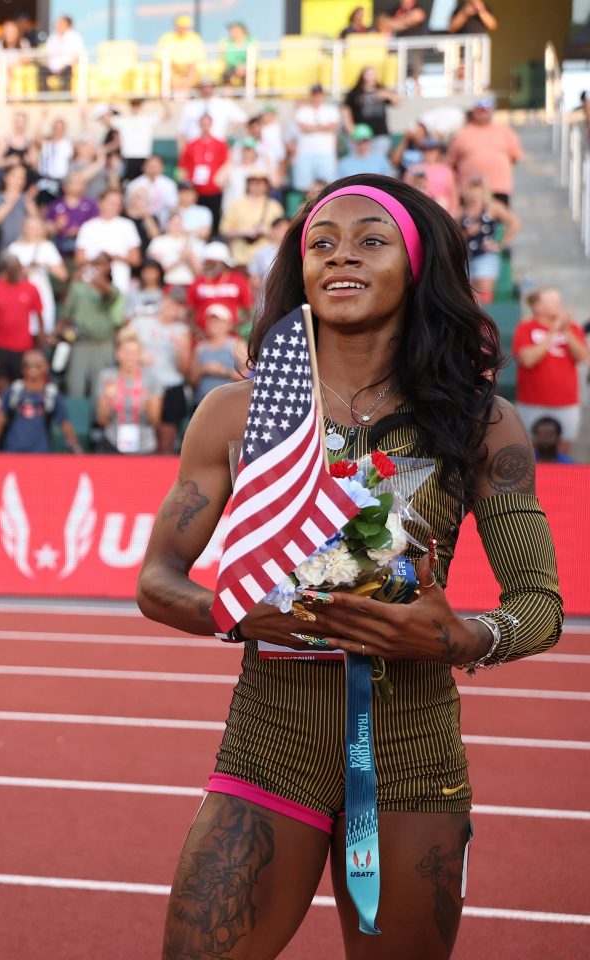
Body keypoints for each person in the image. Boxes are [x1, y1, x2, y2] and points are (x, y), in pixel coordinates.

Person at [138, 174, 563, 959]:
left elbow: (540, 604)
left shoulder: (480, 421)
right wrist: (231, 613)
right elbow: (157, 580)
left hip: (415, 754)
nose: (342, 257)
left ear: (416, 263)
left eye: (371, 240)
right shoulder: (237, 411)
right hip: (270, 743)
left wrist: (461, 638)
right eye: (321, 243)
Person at [513, 288, 587, 450]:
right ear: (538, 307)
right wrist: (553, 330)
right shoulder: (525, 328)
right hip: (532, 403)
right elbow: (528, 360)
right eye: (553, 300)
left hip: (566, 402)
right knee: (529, 449)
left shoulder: (572, 328)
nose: (559, 304)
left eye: (559, 300)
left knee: (563, 448)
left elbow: (583, 356)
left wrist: (566, 329)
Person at [130, 292, 192, 452]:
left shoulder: (182, 330)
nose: (172, 308)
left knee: (165, 443)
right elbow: (123, 346)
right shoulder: (141, 323)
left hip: (171, 385)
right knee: (140, 439)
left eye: (178, 305)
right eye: (170, 302)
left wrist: (182, 352)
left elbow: (184, 370)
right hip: (144, 385)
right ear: (162, 301)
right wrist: (138, 356)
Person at [59, 252, 125, 398]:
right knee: (75, 386)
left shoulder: (113, 289)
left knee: (101, 389)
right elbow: (67, 314)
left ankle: (98, 420)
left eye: (103, 264)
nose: (98, 267)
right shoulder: (77, 287)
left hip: (104, 343)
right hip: (81, 342)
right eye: (96, 264)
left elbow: (108, 294)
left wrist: (97, 277)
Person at [0, 348, 81, 453]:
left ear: (46, 367)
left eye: (38, 365)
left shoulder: (51, 394)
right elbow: (0, 420)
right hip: (12, 452)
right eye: (27, 365)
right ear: (22, 368)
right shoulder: (13, 391)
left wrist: (77, 449)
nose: (33, 368)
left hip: (40, 454)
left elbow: (65, 424)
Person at [92, 332, 159, 454]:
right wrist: (108, 399)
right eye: (126, 353)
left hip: (144, 444)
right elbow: (101, 420)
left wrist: (147, 405)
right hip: (113, 442)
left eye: (134, 353)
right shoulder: (107, 377)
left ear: (140, 355)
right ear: (117, 354)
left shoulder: (151, 378)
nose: (130, 357)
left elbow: (155, 421)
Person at [446, 97, 522, 205]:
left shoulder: (505, 132)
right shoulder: (462, 134)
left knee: (500, 219)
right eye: (480, 111)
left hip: (498, 188)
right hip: (470, 190)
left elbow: (515, 157)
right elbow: (451, 163)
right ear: (474, 112)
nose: (483, 114)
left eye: (486, 111)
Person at [0, 253, 44, 385]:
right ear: (5, 271)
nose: (18, 270)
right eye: (13, 268)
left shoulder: (31, 289)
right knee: (2, 387)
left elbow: (39, 320)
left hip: (24, 348)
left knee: (22, 388)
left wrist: (39, 349)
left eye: (18, 266)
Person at [459, 178, 518, 303]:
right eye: (472, 189)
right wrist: (467, 233)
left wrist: (501, 243)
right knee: (468, 295)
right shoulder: (462, 211)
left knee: (484, 291)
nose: (475, 192)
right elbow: (454, 236)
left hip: (485, 254)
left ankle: (484, 321)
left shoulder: (492, 207)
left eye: (478, 189)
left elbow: (514, 223)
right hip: (467, 256)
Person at [74, 187, 142, 294]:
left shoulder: (127, 225)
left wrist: (114, 257)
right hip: (91, 281)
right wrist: (99, 259)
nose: (114, 207)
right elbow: (79, 259)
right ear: (100, 203)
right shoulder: (88, 226)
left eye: (118, 204)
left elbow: (135, 259)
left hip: (119, 280)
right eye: (111, 203)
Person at [189, 302, 247, 408]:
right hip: (202, 404)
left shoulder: (237, 345)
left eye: (218, 321)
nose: (214, 324)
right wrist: (202, 370)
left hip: (228, 403)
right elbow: (192, 381)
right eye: (211, 321)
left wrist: (224, 371)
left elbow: (248, 377)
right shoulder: (200, 348)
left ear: (228, 324)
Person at [186, 241, 253, 331]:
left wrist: (232, 329)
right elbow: (190, 313)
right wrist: (197, 332)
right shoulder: (198, 282)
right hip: (203, 338)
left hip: (230, 337)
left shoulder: (238, 280)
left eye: (210, 262)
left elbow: (248, 311)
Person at [180, 113, 229, 231]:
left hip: (213, 190)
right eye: (203, 124)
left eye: (207, 124)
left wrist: (221, 181)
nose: (205, 127)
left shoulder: (220, 144)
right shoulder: (191, 144)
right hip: (195, 190)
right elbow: (183, 167)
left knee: (214, 219)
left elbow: (226, 165)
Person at [292, 84, 341, 194]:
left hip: (325, 152)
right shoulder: (303, 111)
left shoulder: (331, 110)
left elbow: (333, 126)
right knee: (305, 187)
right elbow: (303, 127)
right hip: (306, 152)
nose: (317, 97)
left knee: (327, 185)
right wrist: (323, 127)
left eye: (319, 94)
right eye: (315, 94)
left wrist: (312, 128)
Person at [343, 66, 399, 158]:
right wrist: (351, 130)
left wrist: (388, 95)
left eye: (373, 74)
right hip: (360, 137)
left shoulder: (382, 90)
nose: (371, 77)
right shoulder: (355, 93)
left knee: (376, 162)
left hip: (380, 135)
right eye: (368, 74)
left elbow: (398, 102)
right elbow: (346, 110)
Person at [157, 15, 207, 94]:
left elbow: (197, 61)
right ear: (176, 26)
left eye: (186, 27)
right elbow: (160, 58)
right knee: (165, 72)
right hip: (172, 70)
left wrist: (186, 82)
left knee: (196, 71)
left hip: (190, 71)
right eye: (181, 26)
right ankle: (178, 95)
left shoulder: (195, 38)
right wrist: (173, 72)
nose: (184, 29)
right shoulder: (167, 38)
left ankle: (182, 94)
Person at [126, 154, 178, 227]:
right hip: (139, 218)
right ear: (144, 167)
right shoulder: (134, 184)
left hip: (163, 220)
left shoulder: (169, 184)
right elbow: (129, 205)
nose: (153, 169)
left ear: (162, 168)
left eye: (156, 166)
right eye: (150, 166)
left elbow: (172, 206)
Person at [41, 15, 85, 93]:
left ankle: (66, 97)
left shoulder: (75, 37)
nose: (57, 25)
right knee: (41, 70)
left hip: (67, 67)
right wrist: (46, 63)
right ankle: (44, 97)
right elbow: (46, 54)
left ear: (68, 24)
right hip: (52, 67)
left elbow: (79, 54)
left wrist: (70, 64)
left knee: (69, 71)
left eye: (61, 23)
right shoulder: (52, 37)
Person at [222, 22, 252, 87]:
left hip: (248, 67)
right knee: (226, 75)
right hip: (234, 68)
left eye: (235, 30)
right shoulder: (229, 44)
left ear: (242, 31)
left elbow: (253, 56)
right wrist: (237, 66)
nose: (232, 33)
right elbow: (229, 58)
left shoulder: (251, 41)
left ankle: (250, 94)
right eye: (231, 31)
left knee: (252, 74)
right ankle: (228, 96)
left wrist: (244, 65)